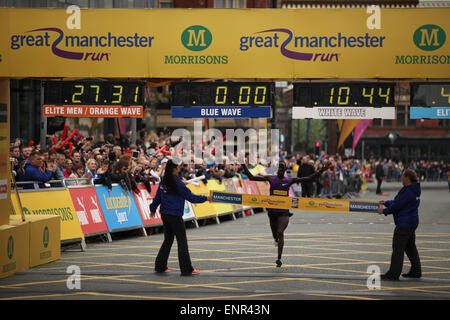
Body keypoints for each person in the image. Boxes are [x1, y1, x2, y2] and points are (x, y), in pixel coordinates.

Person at [242, 160, 330, 267]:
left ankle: (279, 258)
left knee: (280, 232)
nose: (279, 169)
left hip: (284, 212)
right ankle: (275, 239)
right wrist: (243, 166)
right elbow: (252, 177)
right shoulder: (271, 178)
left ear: (285, 170)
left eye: (282, 167)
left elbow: (309, 178)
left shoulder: (289, 180)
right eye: (279, 167)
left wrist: (321, 170)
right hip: (272, 212)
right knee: (275, 235)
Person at [150, 159, 212, 276]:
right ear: (174, 169)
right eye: (178, 167)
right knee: (181, 241)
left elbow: (158, 196)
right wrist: (206, 198)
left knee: (168, 239)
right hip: (175, 215)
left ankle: (160, 265)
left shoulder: (165, 181)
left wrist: (153, 209)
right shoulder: (177, 183)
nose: (179, 169)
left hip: (165, 214)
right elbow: (192, 197)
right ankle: (186, 269)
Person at [378, 169, 422, 281]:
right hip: (411, 222)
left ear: (407, 177)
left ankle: (393, 274)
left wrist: (384, 211)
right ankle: (416, 271)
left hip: (404, 224)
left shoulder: (407, 191)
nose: (401, 179)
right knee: (410, 247)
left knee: (398, 249)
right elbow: (398, 202)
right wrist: (386, 203)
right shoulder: (414, 189)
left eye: (402, 177)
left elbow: (397, 206)